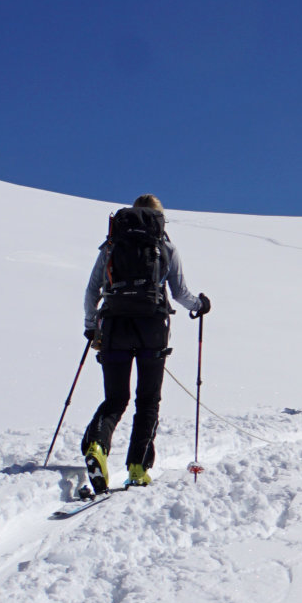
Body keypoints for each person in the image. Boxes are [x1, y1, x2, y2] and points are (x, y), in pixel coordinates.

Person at [81, 194, 208, 493]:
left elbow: (92, 291)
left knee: (115, 399)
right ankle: (138, 468)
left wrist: (91, 327)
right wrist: (200, 305)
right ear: (159, 218)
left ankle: (97, 446)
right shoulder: (165, 246)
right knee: (148, 401)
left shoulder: (111, 245)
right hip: (152, 328)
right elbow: (180, 293)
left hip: (114, 327)